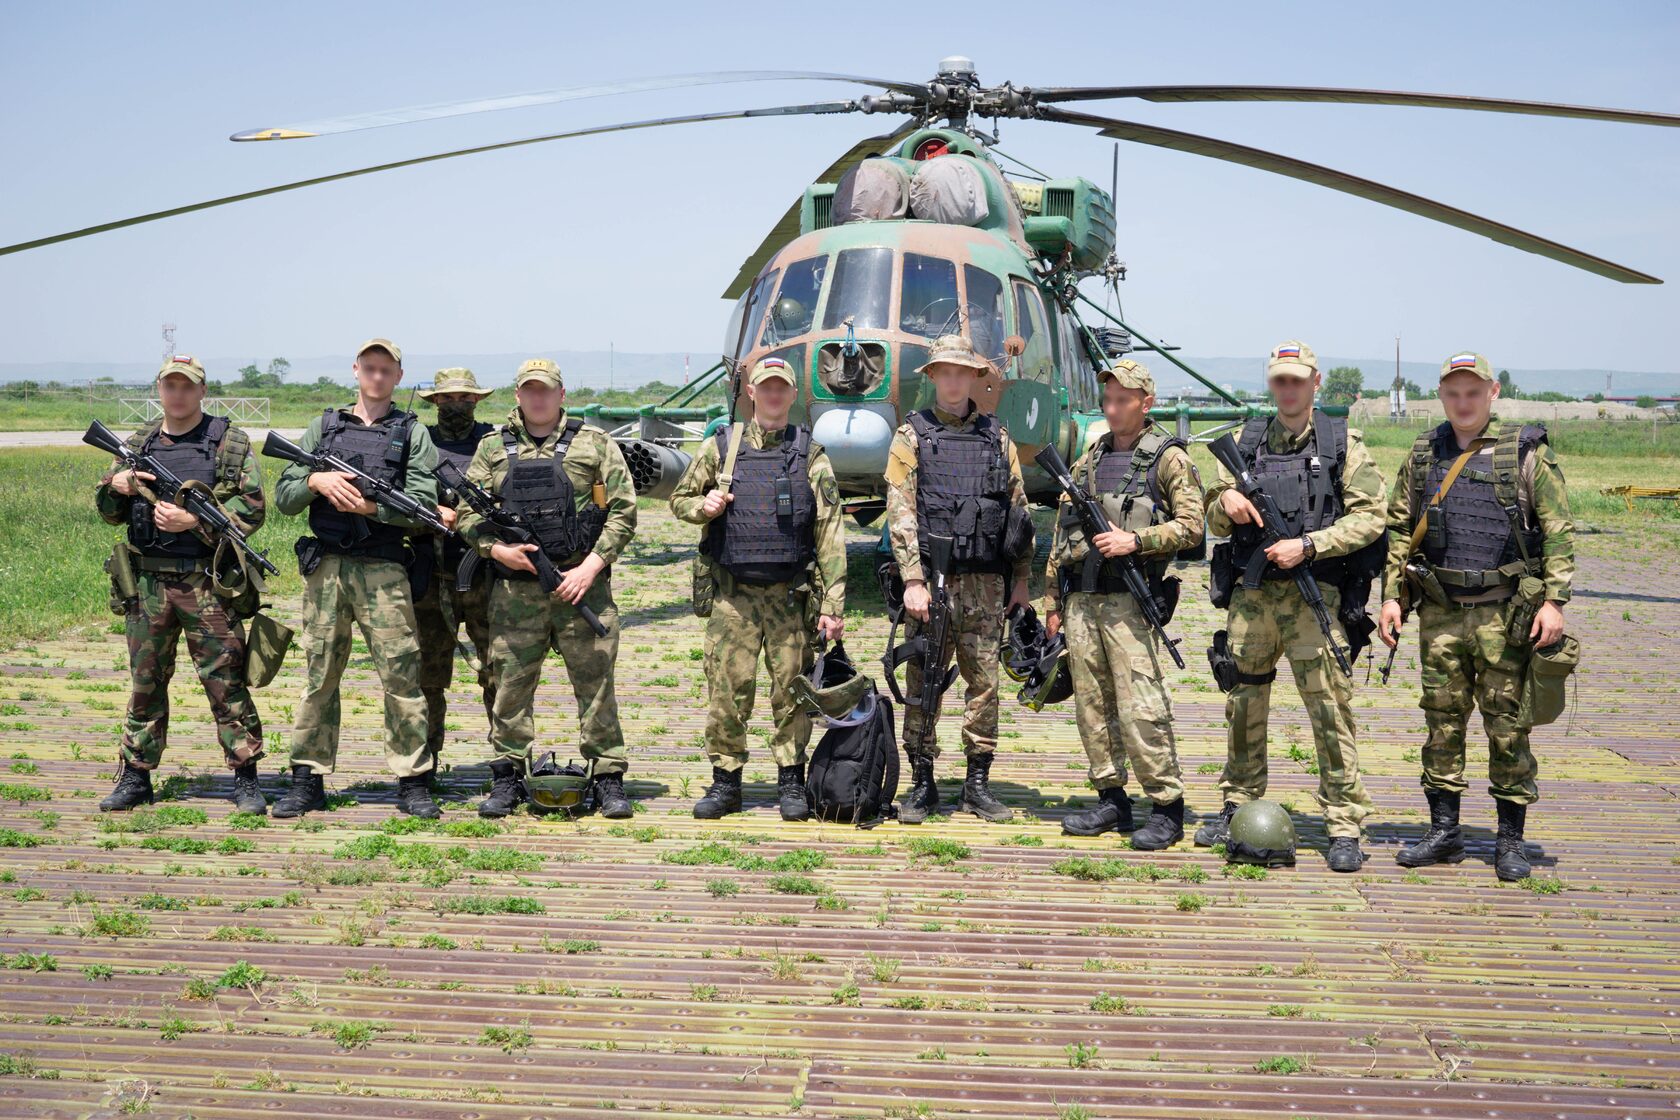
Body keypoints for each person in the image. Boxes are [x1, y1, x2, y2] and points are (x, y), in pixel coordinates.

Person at [1380, 351, 1574, 881]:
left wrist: (1554, 602)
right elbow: (1400, 529)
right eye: (1452, 392)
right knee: (1441, 723)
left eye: (1472, 392)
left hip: (1505, 614)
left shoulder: (1525, 454)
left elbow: (1558, 530)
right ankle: (1444, 831)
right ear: (1442, 395)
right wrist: (1394, 596)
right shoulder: (1424, 455)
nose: (1462, 402)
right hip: (1441, 613)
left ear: (1491, 393)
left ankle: (1510, 840)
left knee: (1508, 726)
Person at [1197, 341, 1385, 872]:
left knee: (1329, 707)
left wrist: (1309, 545)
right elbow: (1210, 515)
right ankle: (1236, 806)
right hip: (1252, 598)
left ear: (1315, 382)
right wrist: (1224, 503)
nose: (1289, 389)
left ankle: (1345, 823)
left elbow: (1372, 516)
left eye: (1298, 380)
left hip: (1313, 594)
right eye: (1280, 380)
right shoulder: (1245, 441)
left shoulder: (1342, 442)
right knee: (1243, 704)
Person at [455, 358, 638, 819]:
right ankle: (507, 776)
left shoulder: (594, 444)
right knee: (510, 688)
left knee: (596, 686)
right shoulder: (492, 448)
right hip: (516, 593)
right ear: (518, 396)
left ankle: (609, 778)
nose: (538, 398)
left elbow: (623, 512)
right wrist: (497, 552)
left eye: (546, 390)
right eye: (529, 390)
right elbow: (465, 513)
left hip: (582, 588)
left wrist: (589, 568)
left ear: (561, 395)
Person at [671, 357, 847, 821]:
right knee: (728, 691)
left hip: (791, 596)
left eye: (781, 388)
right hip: (733, 596)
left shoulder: (811, 453)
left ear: (792, 395)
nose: (772, 395)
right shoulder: (721, 447)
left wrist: (834, 603)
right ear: (751, 391)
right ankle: (726, 783)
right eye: (765, 387)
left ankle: (791, 781)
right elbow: (679, 500)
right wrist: (703, 507)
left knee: (791, 691)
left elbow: (830, 532)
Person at [271, 339, 440, 819]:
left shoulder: (411, 433)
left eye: (386, 370)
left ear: (399, 376)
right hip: (325, 568)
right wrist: (314, 482)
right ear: (356, 370)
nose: (377, 377)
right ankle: (307, 778)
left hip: (384, 569)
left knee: (401, 674)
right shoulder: (323, 428)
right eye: (370, 368)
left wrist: (370, 507)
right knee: (319, 674)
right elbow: (283, 495)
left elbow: (423, 506)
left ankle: (412, 780)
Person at [94, 355, 267, 814]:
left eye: (187, 386)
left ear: (201, 391)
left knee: (226, 680)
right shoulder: (137, 442)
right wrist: (120, 485)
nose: (178, 394)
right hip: (147, 583)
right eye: (170, 385)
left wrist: (193, 519)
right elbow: (108, 510)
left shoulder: (228, 443)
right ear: (160, 388)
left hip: (206, 581)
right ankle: (135, 777)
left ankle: (245, 776)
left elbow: (252, 511)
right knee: (145, 683)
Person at [1044, 359, 1204, 848]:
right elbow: (1061, 532)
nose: (1112, 409)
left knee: (1142, 705)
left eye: (1123, 400)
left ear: (1146, 403)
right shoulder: (1089, 459)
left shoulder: (1168, 458)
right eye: (1108, 400)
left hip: (1130, 603)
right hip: (1082, 601)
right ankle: (1111, 800)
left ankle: (1166, 808)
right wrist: (1052, 598)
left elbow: (1195, 527)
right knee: (1093, 706)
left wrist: (1137, 540)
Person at [884, 334, 1034, 824]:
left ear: (974, 377)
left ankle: (976, 784)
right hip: (932, 582)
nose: (953, 380)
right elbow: (901, 512)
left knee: (985, 684)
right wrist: (912, 580)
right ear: (932, 378)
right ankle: (922, 784)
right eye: (943, 372)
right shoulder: (911, 436)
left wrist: (1021, 580)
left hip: (987, 583)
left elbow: (1018, 514)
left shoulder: (998, 437)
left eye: (961, 372)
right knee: (925, 679)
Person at [413, 367, 496, 768]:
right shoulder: (420, 444)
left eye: (464, 398)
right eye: (447, 399)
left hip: (488, 575)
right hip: (431, 575)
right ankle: (425, 762)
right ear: (435, 402)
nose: (456, 405)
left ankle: (506, 762)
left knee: (499, 674)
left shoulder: (494, 443)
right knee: (427, 677)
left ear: (477, 400)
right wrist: (431, 511)